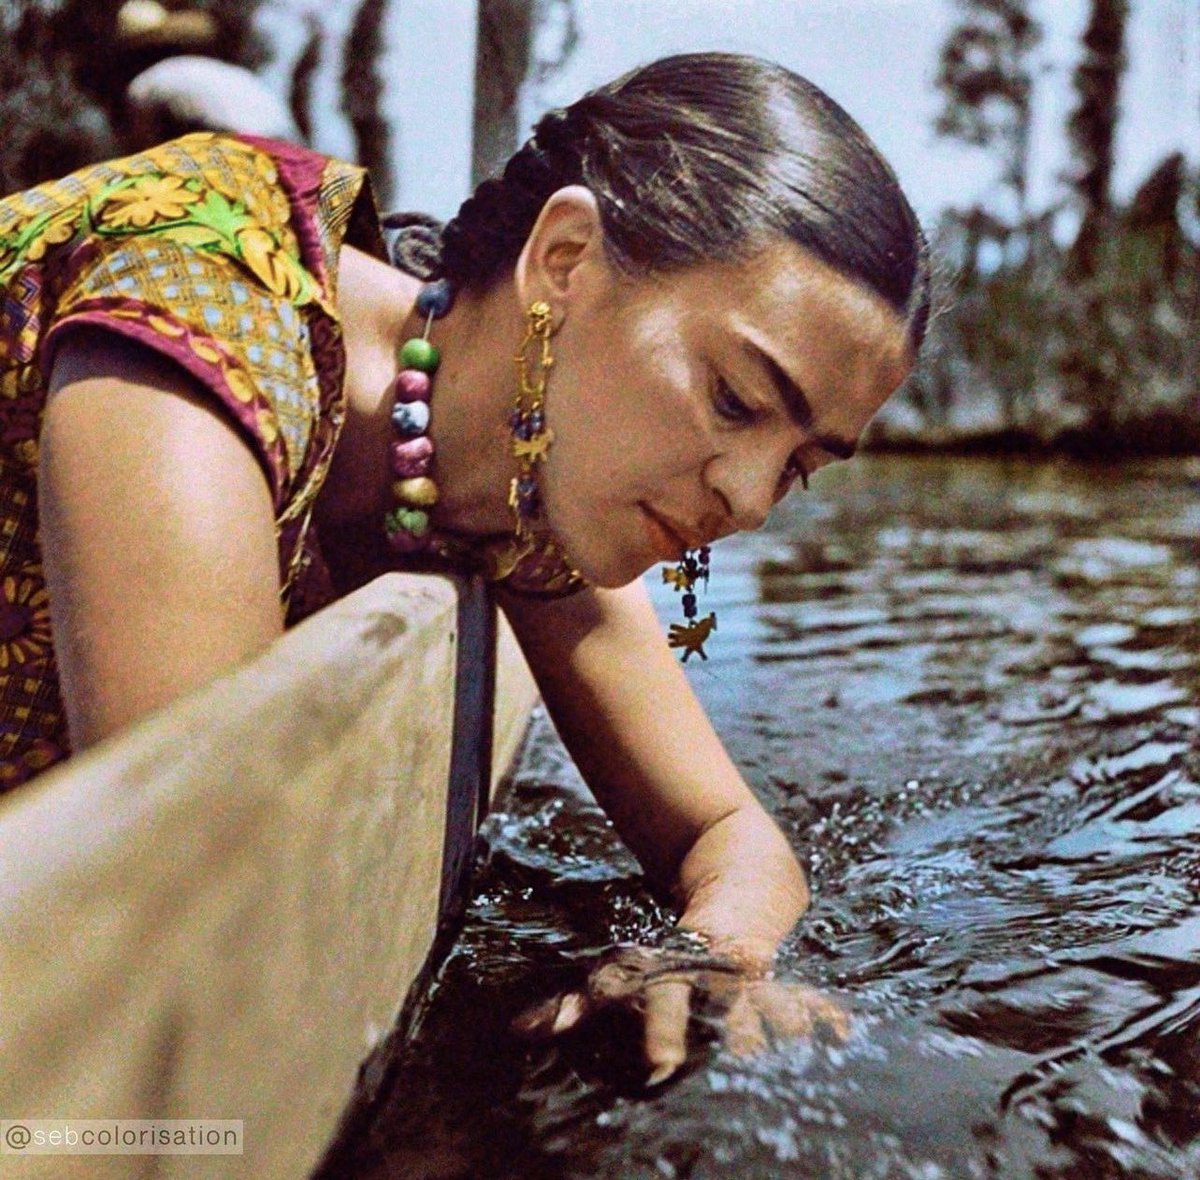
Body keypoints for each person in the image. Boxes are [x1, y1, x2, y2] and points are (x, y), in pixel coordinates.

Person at [0, 52, 929, 1084]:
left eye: (799, 465)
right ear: (566, 259)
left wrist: (707, 955)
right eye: (736, 401)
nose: (750, 502)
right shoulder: (197, 299)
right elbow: (216, 919)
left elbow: (730, 834)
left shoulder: (524, 497)